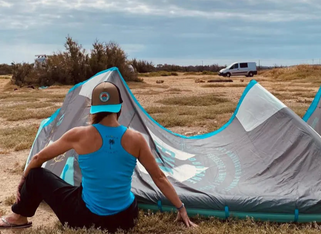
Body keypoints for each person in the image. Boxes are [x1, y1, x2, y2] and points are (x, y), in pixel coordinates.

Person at [0, 81, 197, 232]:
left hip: (84, 218)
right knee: (119, 193)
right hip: (125, 221)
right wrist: (181, 208)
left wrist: (24, 179)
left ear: (93, 109)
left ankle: (19, 218)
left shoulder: (78, 135)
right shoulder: (136, 139)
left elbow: (37, 160)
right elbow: (159, 178)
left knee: (37, 175)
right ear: (119, 107)